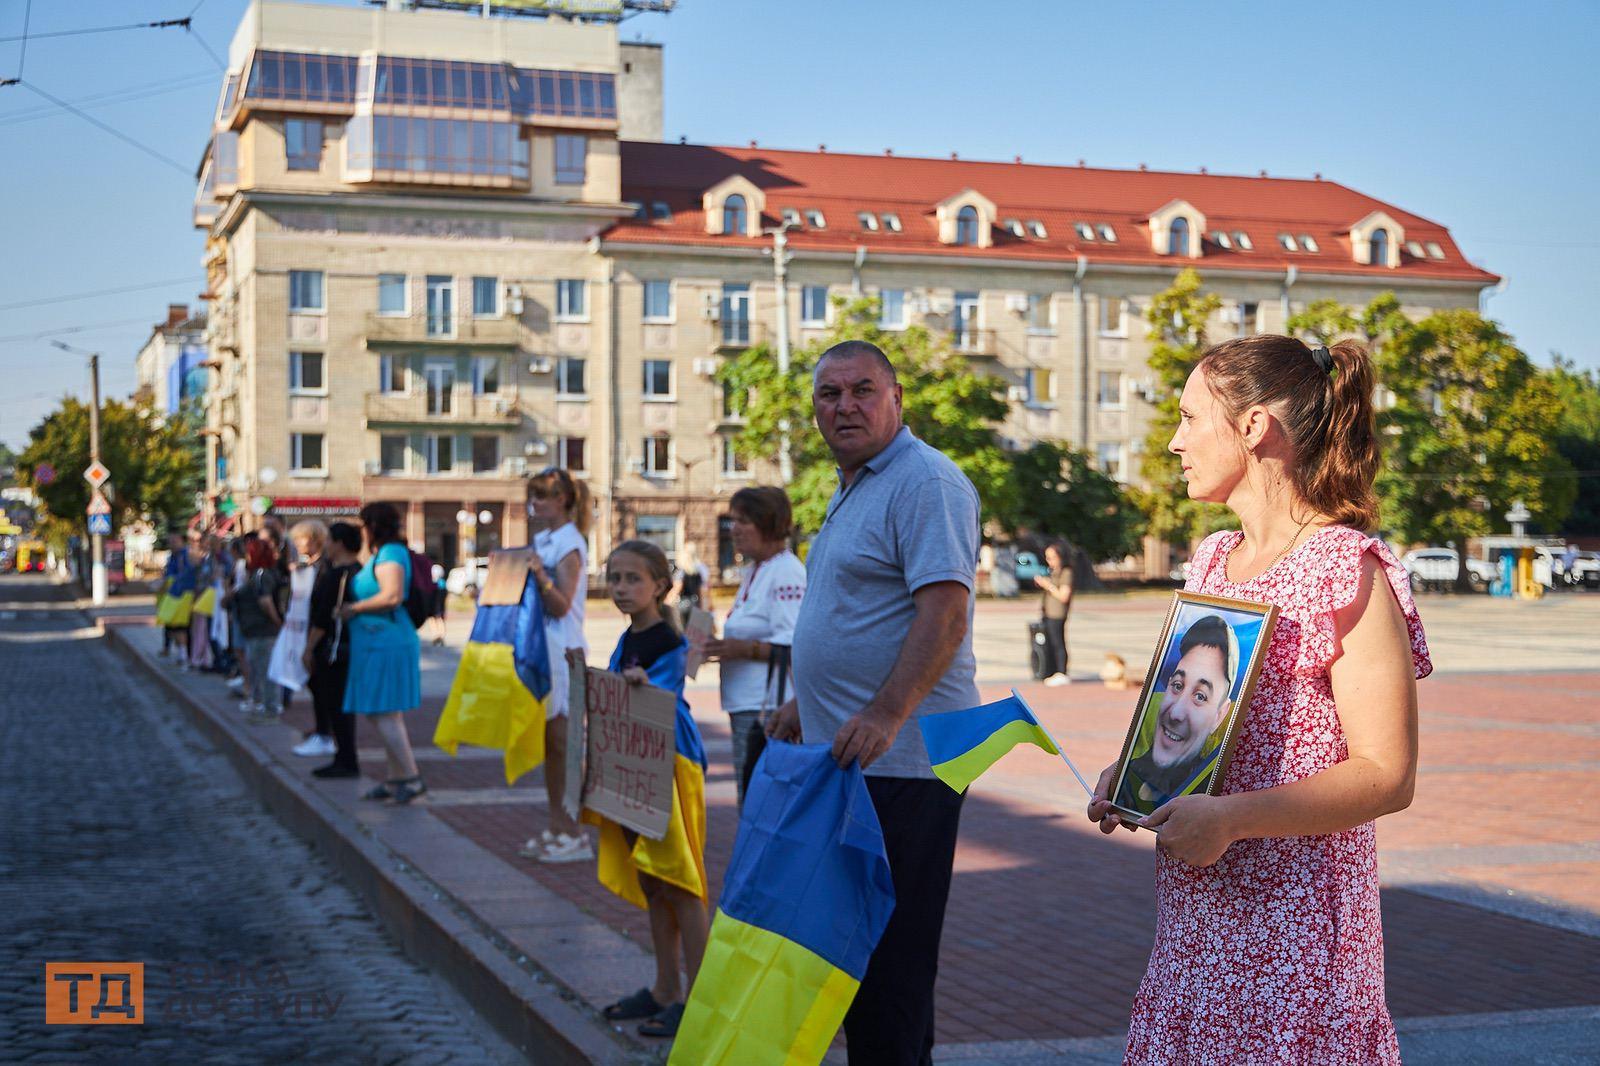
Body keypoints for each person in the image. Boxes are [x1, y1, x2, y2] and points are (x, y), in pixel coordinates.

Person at [1087, 336, 1431, 1064]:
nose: (1175, 443)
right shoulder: (1212, 557)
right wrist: (1139, 774)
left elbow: (1387, 774)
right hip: (1196, 934)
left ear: (1252, 428)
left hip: (1298, 950)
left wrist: (1232, 819)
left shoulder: (1348, 568)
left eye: (1188, 418)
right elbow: (1197, 717)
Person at [768, 339, 980, 1066]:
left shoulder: (926, 481)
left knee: (890, 966)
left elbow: (944, 614)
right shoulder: (855, 483)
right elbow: (856, 613)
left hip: (909, 764)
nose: (845, 406)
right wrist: (808, 702)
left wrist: (887, 712)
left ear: (896, 400)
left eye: (863, 390)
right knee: (860, 964)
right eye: (830, 394)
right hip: (857, 760)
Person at [591, 539, 708, 1040]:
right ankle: (665, 988)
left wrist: (641, 686)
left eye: (632, 579)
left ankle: (702, 998)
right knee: (654, 882)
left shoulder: (669, 642)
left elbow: (669, 695)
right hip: (635, 763)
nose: (620, 588)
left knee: (682, 884)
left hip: (671, 765)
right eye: (614, 578)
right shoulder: (629, 637)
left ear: (660, 586)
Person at [703, 485, 805, 810]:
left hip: (768, 708)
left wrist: (741, 649)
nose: (734, 529)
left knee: (761, 802)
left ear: (769, 523)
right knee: (752, 798)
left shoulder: (786, 571)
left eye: (744, 520)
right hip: (747, 702)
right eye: (733, 520)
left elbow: (795, 646)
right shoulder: (755, 569)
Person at [515, 466, 594, 863]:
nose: (535, 504)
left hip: (565, 651)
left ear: (562, 500)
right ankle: (556, 825)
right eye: (533, 496)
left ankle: (574, 831)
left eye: (542, 496)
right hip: (544, 650)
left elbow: (562, 603)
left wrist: (538, 576)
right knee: (550, 745)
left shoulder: (569, 542)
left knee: (566, 745)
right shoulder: (545, 539)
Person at [340, 502, 426, 805]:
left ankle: (411, 777)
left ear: (373, 526)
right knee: (386, 711)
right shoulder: (382, 554)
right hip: (377, 641)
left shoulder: (390, 553)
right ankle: (395, 779)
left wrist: (353, 609)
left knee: (383, 712)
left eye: (364, 523)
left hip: (387, 641)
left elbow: (391, 596)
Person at [1113, 614, 1238, 817]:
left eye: (1200, 696)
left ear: (1220, 715)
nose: (1176, 713)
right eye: (1177, 686)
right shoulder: (1128, 780)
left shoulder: (1215, 795)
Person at [303, 521, 362, 778]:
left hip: (335, 649)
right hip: (345, 646)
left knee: (336, 704)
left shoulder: (340, 575)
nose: (325, 546)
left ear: (339, 543)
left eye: (328, 541)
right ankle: (343, 755)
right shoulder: (354, 571)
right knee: (337, 705)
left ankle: (346, 759)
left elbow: (324, 618)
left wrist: (308, 648)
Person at [274, 521, 329, 756]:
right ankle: (321, 729)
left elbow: (320, 607)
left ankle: (325, 733)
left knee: (320, 687)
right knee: (314, 686)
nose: (297, 544)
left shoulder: (323, 568)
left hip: (317, 636)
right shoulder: (308, 566)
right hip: (304, 635)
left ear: (316, 539)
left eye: (301, 539)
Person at [232, 537, 285, 719]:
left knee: (265, 670)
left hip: (263, 630)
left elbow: (266, 602)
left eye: (248, 553)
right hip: (255, 630)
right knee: (258, 668)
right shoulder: (258, 574)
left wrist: (277, 623)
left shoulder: (262, 575)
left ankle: (271, 708)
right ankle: (263, 704)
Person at [1034, 541, 1074, 686]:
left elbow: (1064, 596)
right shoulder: (1054, 572)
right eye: (1047, 558)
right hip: (1048, 613)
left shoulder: (1066, 572)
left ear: (1061, 557)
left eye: (1052, 558)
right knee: (1049, 643)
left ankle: (1062, 672)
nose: (1049, 561)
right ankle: (1052, 671)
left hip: (1058, 614)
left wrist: (1048, 585)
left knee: (1058, 642)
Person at [667, 541, 710, 629]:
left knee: (683, 632)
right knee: (694, 633)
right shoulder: (700, 571)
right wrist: (703, 608)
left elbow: (677, 589)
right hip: (696, 605)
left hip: (684, 605)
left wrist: (666, 603)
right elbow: (702, 592)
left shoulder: (682, 571)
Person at [428, 561, 448, 646]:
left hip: (435, 605)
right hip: (441, 606)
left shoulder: (434, 585)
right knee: (441, 620)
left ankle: (436, 636)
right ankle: (441, 636)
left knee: (433, 619)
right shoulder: (443, 584)